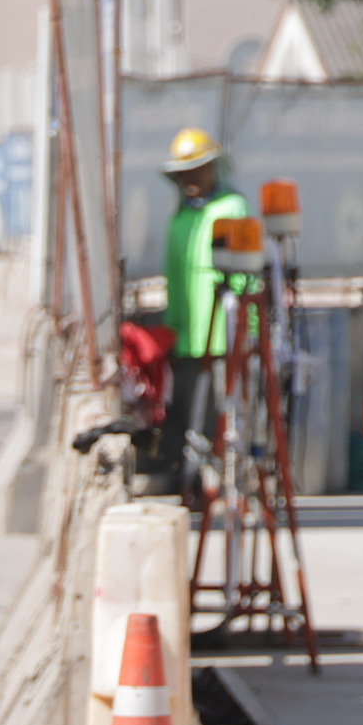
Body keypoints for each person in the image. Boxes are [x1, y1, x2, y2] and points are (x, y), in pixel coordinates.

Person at [157, 127, 250, 483]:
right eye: (184, 174)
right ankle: (193, 481)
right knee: (189, 415)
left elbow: (244, 277)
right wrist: (170, 334)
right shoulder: (180, 220)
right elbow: (175, 280)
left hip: (224, 337)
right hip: (186, 341)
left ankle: (225, 481)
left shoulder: (231, 209)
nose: (191, 180)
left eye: (197, 171)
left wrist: (246, 330)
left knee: (224, 413)